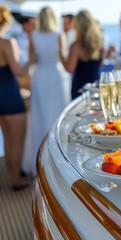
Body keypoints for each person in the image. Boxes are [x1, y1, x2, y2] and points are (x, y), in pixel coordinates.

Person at [22, 6, 71, 175]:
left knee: (39, 116)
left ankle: (39, 160)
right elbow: (63, 59)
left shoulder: (33, 36)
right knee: (57, 115)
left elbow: (32, 59)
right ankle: (58, 159)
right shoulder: (59, 35)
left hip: (40, 76)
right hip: (56, 77)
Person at [0, 6, 34, 190]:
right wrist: (31, 59)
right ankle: (15, 180)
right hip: (9, 94)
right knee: (17, 140)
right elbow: (17, 71)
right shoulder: (7, 42)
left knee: (6, 138)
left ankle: (9, 169)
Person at [62, 10, 104, 99]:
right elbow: (100, 65)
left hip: (80, 89)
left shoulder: (76, 46)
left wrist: (61, 56)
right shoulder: (100, 43)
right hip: (96, 86)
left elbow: (70, 69)